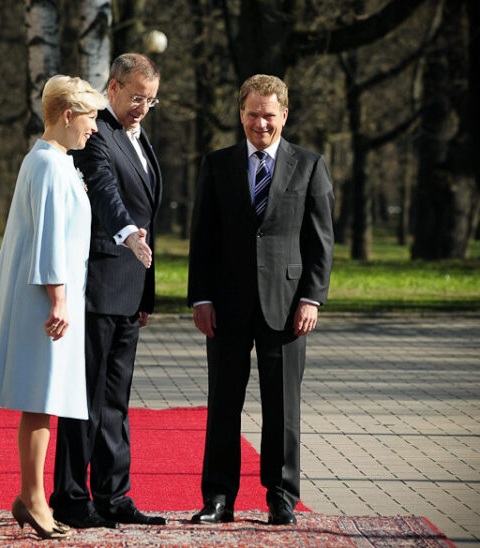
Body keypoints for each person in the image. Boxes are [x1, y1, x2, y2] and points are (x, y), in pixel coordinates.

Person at [188, 74, 335, 526]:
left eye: (269, 115)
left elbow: (320, 241)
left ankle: (281, 496)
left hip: (288, 307)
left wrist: (312, 298)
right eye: (252, 114)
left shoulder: (309, 165)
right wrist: (201, 298)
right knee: (223, 404)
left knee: (283, 408)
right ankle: (218, 497)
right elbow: (203, 237)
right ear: (241, 114)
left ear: (284, 115)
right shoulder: (217, 164)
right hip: (227, 306)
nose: (260, 123)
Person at [0, 74, 106, 540]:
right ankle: (32, 498)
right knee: (41, 400)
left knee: (43, 402)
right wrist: (60, 299)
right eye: (90, 118)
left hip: (51, 297)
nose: (95, 128)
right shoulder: (50, 164)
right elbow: (50, 239)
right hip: (48, 302)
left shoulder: (51, 159)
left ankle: (30, 494)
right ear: (68, 115)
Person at [50, 53, 164, 529]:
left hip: (129, 292)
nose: (142, 107)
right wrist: (127, 234)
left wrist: (146, 296)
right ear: (112, 87)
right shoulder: (98, 137)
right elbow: (105, 194)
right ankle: (73, 499)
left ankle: (114, 495)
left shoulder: (140, 142)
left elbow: (150, 217)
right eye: (136, 97)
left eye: (151, 101)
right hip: (98, 288)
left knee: (115, 402)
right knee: (86, 400)